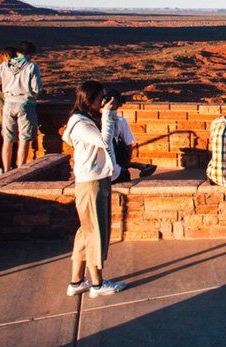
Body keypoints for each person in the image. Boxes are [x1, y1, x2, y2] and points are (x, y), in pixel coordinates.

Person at [62, 80, 126, 298]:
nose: (104, 101)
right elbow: (105, 142)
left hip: (94, 180)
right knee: (97, 233)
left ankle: (76, 281)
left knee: (85, 233)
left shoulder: (86, 120)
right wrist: (107, 115)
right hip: (92, 184)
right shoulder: (80, 124)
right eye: (101, 97)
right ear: (89, 99)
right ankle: (98, 285)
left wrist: (109, 114)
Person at [0, 40, 43, 171]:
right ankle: (20, 170)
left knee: (8, 139)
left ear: (17, 51)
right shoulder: (31, 66)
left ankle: (6, 169)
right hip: (25, 103)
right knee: (24, 139)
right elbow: (36, 88)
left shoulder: (5, 65)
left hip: (8, 104)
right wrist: (32, 95)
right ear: (30, 53)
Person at [102, 89, 157, 183]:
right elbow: (128, 145)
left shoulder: (88, 122)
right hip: (111, 170)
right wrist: (125, 163)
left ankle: (135, 165)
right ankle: (135, 166)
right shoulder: (120, 121)